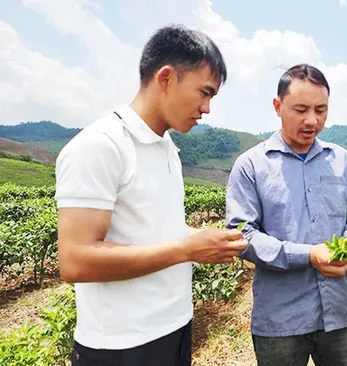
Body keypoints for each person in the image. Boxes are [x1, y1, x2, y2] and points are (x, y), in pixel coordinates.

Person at [54, 24, 248, 366]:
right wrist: (186, 249)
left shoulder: (166, 147)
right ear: (166, 78)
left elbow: (156, 226)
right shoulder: (100, 146)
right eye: (204, 92)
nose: (207, 108)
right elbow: (75, 259)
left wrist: (203, 238)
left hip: (173, 329)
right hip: (121, 347)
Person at [225, 63, 347, 366]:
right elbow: (243, 235)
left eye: (321, 110)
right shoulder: (251, 165)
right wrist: (308, 255)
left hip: (340, 313)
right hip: (280, 319)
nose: (312, 120)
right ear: (277, 106)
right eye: (301, 109)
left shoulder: (341, 160)